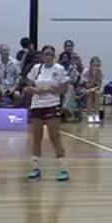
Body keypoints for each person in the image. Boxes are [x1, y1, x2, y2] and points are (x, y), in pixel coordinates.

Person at [26, 45, 70, 181]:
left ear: (54, 56)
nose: (48, 57)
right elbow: (28, 85)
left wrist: (53, 90)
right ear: (42, 56)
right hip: (37, 105)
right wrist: (35, 90)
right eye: (46, 54)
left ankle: (63, 169)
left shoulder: (59, 69)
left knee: (54, 136)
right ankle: (35, 168)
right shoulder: (36, 69)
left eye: (51, 54)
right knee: (36, 136)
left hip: (52, 104)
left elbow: (65, 88)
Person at [84, 55, 105, 124]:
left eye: (98, 66)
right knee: (89, 93)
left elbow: (100, 85)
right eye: (94, 65)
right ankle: (89, 115)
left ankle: (96, 115)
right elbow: (87, 85)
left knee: (97, 93)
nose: (96, 67)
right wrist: (94, 78)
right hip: (85, 89)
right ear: (90, 65)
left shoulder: (100, 72)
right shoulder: (86, 72)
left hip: (95, 89)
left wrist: (95, 88)